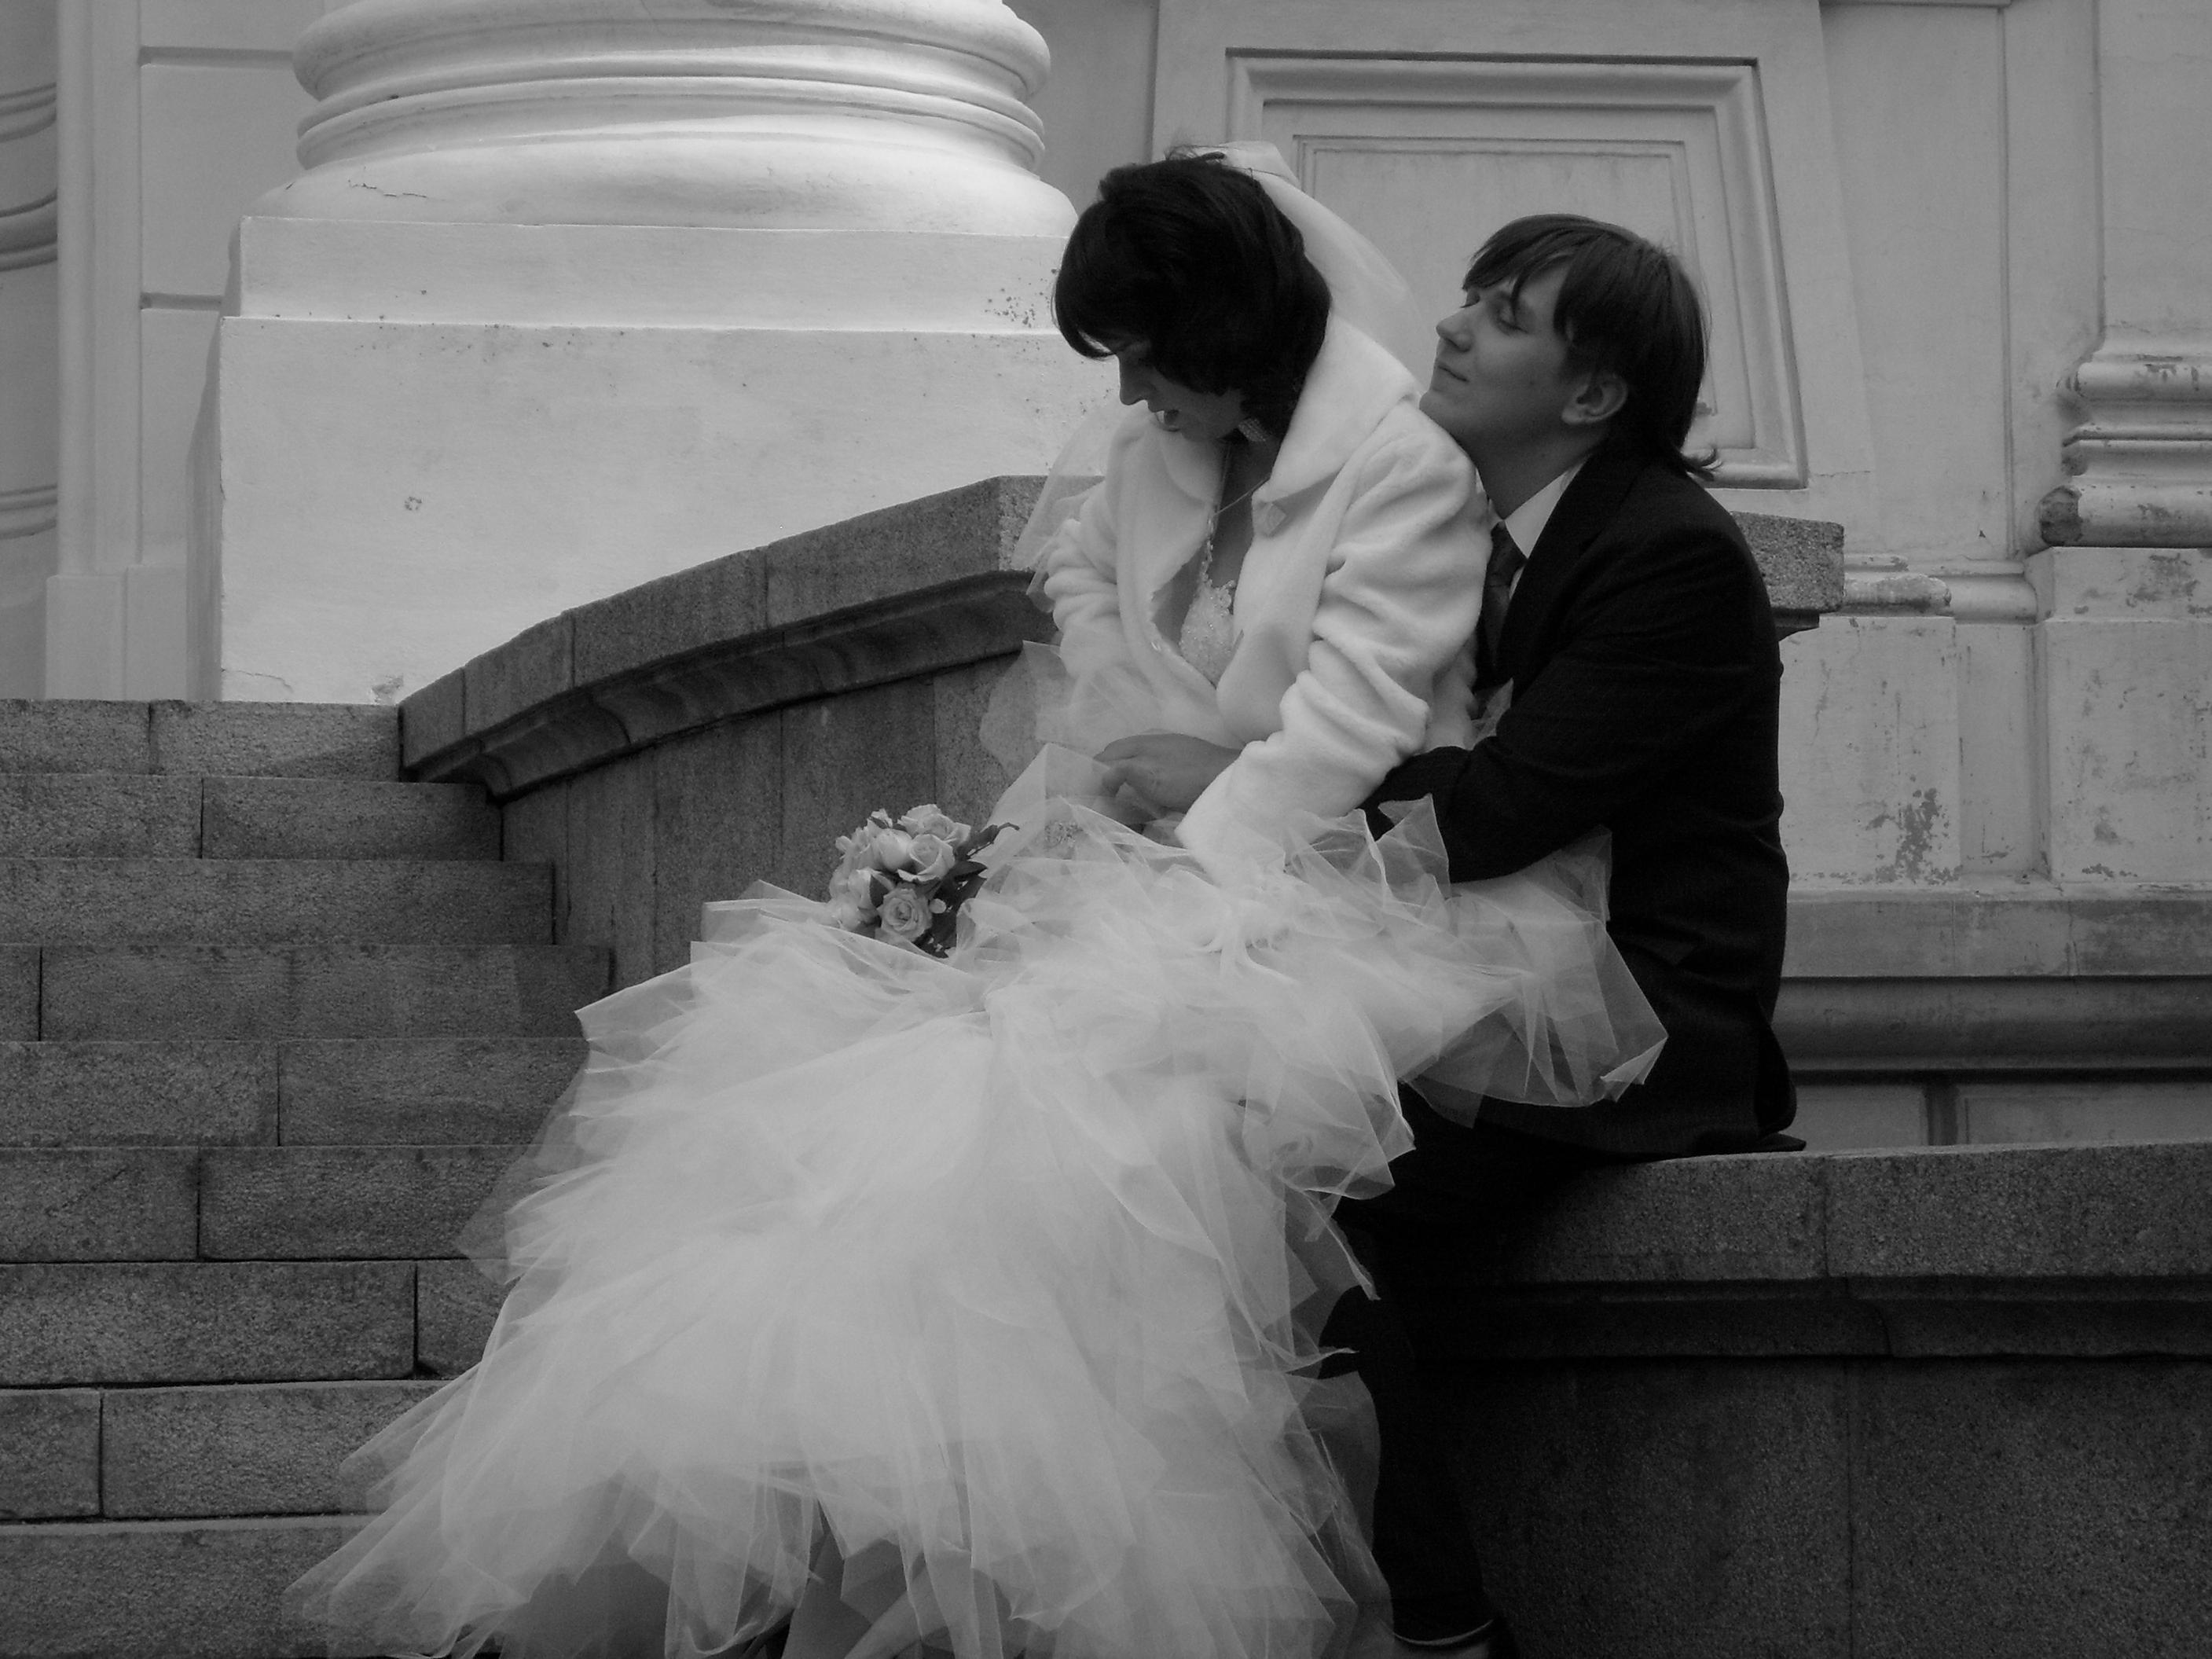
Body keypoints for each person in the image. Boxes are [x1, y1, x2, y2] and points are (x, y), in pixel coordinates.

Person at [291, 160, 1656, 1659]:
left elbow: (1350, 730)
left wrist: (1186, 826)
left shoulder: (1399, 468)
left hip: (1321, 887)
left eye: (1145, 352)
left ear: (1222, 333)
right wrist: (1112, 766)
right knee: (832, 1120)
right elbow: (1082, 581)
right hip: (1135, 855)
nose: (1128, 392)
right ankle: (792, 1556)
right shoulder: (1156, 448)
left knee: (1111, 1146)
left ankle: (1319, 1605)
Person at [1332, 215, 1800, 1658]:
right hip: (1492, 982)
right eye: (1470, 295)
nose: (1453, 325)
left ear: (1592, 393)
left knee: (1295, 1179)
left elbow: (1498, 810)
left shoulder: (1668, 555)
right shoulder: (1474, 532)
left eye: (1506, 314)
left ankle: (1440, 1630)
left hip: (1641, 1021)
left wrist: (1247, 787)